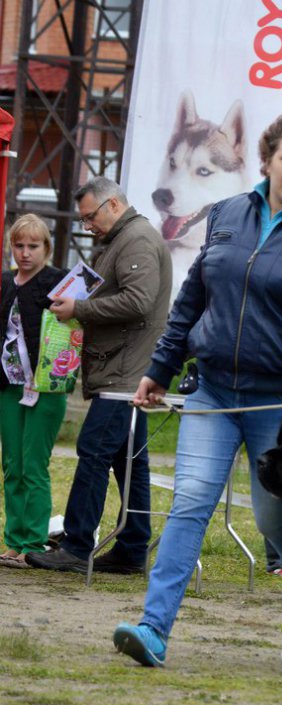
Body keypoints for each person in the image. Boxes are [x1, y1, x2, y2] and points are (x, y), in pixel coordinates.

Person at [112, 113, 282, 667]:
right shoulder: (226, 215)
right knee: (189, 503)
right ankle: (153, 629)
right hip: (213, 392)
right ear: (265, 160)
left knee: (274, 518)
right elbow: (191, 302)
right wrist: (160, 368)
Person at [26, 177, 172, 574]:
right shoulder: (123, 239)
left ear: (112, 205)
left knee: (93, 453)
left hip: (124, 374)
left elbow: (140, 301)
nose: (87, 224)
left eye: (91, 216)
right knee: (129, 462)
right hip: (126, 370)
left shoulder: (136, 239)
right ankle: (132, 548)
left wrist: (80, 309)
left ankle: (75, 545)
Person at [0, 214, 67, 567]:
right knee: (11, 465)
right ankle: (13, 540)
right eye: (19, 245)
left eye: (33, 246)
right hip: (9, 386)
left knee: (33, 466)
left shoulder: (60, 283)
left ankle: (34, 543)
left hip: (46, 387)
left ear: (47, 248)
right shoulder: (4, 282)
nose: (25, 253)